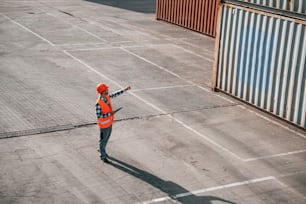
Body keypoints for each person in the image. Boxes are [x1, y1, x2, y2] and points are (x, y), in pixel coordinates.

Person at [95, 83, 131, 163]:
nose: (108, 90)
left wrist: (124, 89)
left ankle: (101, 149)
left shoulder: (107, 97)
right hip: (104, 125)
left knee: (106, 139)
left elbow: (115, 94)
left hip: (109, 122)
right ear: (102, 91)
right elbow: (99, 115)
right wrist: (110, 114)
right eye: (106, 90)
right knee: (103, 140)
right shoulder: (98, 103)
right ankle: (103, 156)